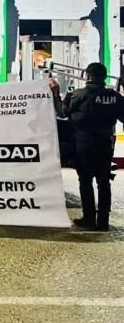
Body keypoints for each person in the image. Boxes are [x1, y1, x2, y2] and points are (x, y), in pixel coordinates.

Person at [53, 63, 124, 231]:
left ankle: (89, 219)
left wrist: (55, 94)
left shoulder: (77, 95)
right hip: (105, 143)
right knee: (103, 182)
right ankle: (103, 222)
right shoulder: (115, 97)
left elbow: (62, 112)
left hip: (83, 144)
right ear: (104, 77)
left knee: (85, 181)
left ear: (87, 76)